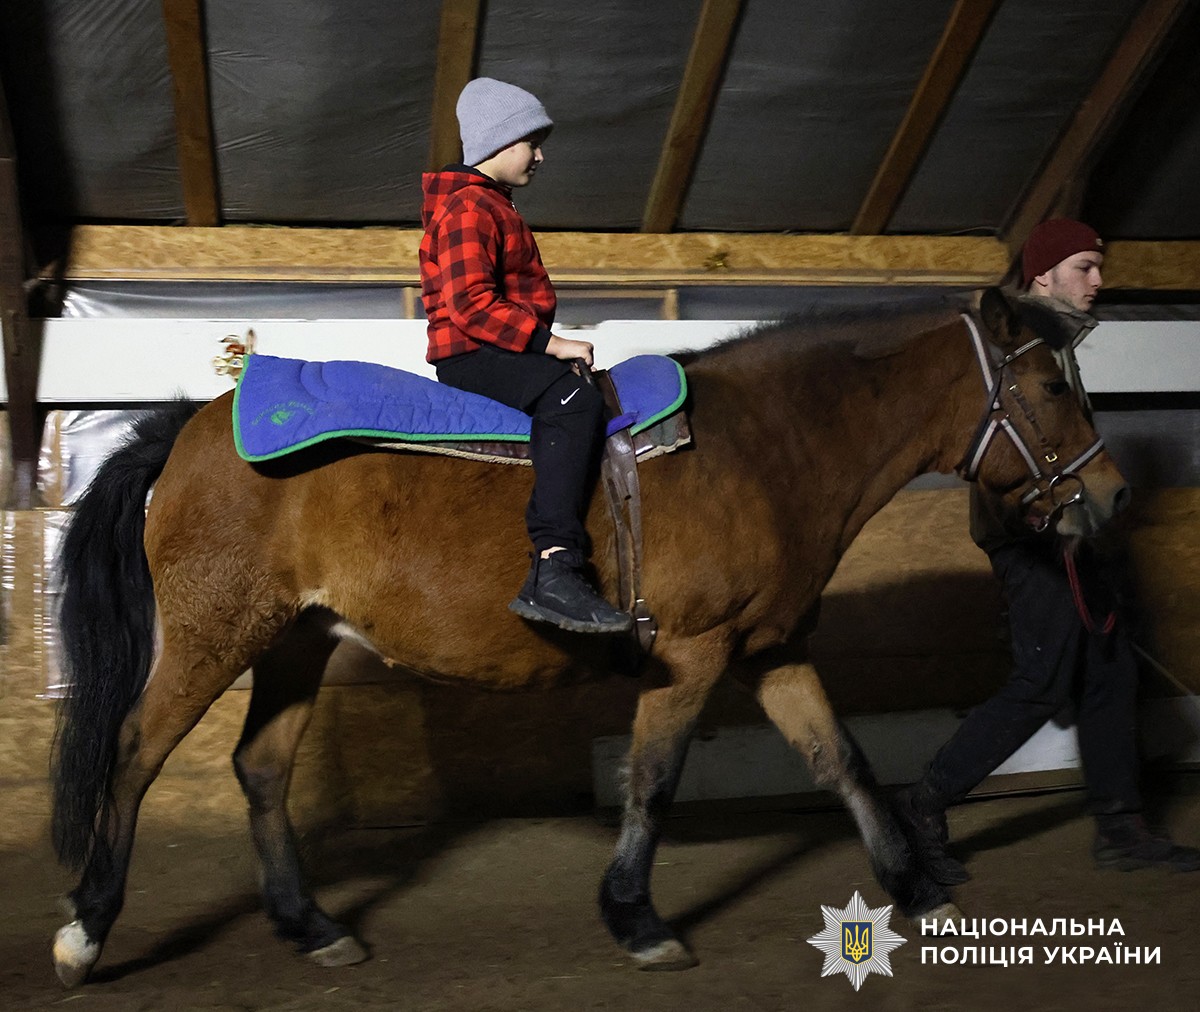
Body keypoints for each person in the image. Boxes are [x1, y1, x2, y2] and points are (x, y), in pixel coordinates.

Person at [898, 217, 1200, 883]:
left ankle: (1122, 829)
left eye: (1099, 266)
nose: (1099, 280)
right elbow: (1000, 451)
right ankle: (922, 806)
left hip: (1073, 535)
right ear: (1043, 275)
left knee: (1112, 671)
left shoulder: (1056, 342)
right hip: (1031, 539)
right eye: (1085, 267)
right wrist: (1037, 517)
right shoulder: (1019, 341)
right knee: (1041, 683)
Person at [419, 77, 631, 635]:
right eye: (530, 141)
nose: (540, 155)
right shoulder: (469, 208)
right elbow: (469, 302)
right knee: (571, 399)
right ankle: (554, 565)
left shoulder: (491, 204)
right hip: (473, 352)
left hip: (493, 346)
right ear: (499, 141)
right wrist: (550, 344)